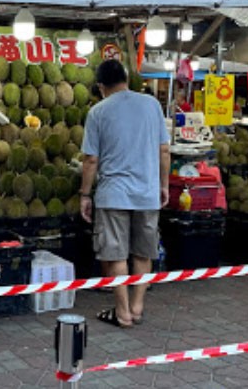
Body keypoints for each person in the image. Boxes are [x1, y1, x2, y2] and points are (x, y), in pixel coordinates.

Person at [79, 59, 170, 329]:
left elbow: (90, 160)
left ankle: (122, 312)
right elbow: (164, 150)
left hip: (113, 194)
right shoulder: (152, 105)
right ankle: (138, 306)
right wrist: (163, 185)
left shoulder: (98, 111)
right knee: (144, 251)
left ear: (100, 86)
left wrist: (85, 194)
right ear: (126, 79)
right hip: (147, 192)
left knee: (116, 254)